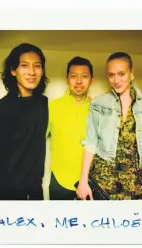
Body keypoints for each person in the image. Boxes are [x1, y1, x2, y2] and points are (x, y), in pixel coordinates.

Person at [0, 43, 49, 200]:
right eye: (24, 66)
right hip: (8, 196)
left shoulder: (44, 105)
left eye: (37, 66)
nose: (31, 72)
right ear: (13, 71)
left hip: (35, 193)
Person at [76, 52, 142, 200]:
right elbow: (90, 143)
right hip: (103, 180)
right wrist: (83, 181)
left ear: (131, 74)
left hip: (134, 183)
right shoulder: (99, 104)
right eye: (111, 75)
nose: (116, 80)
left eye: (121, 74)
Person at [48, 57, 93, 200]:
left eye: (84, 76)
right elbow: (34, 143)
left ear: (91, 79)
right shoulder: (52, 107)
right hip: (59, 180)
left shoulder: (98, 108)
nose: (79, 81)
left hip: (91, 181)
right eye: (74, 76)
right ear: (67, 78)